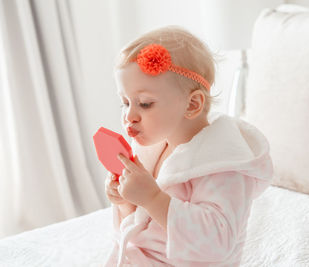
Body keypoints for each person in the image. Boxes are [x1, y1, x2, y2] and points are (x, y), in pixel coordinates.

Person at [103, 25, 273, 267]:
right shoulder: (156, 147)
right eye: (125, 102)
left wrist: (152, 197)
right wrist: (125, 200)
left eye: (145, 103)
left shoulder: (222, 164)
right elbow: (140, 225)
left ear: (192, 104)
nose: (129, 115)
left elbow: (217, 243)